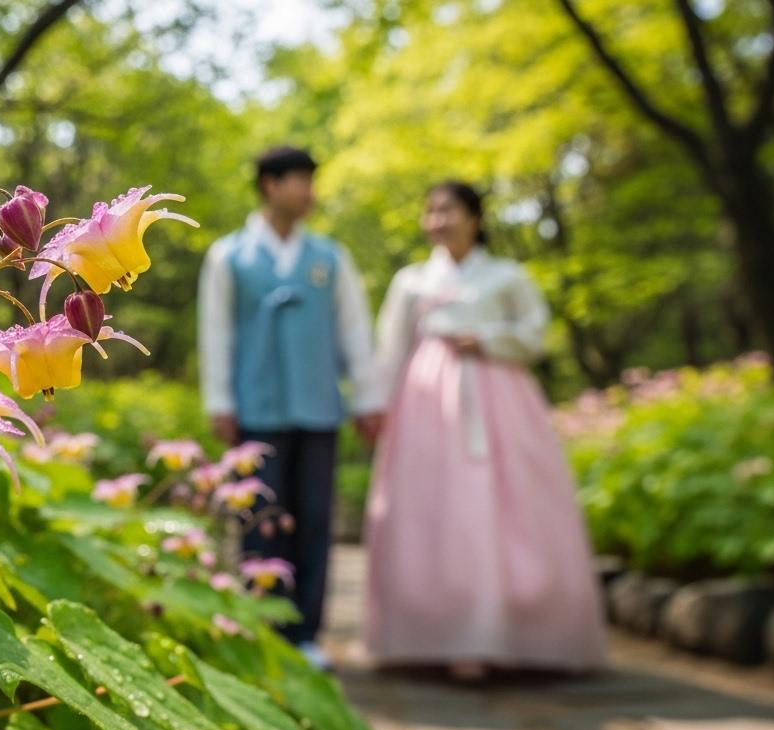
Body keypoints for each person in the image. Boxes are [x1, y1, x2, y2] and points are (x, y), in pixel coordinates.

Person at [362, 181, 607, 680]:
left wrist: (488, 338)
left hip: (502, 404)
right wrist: (376, 407)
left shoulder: (507, 276)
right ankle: (440, 633)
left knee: (507, 507)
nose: (437, 220)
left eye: (448, 209)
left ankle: (516, 630)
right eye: (430, 210)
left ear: (475, 216)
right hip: (425, 408)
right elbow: (388, 350)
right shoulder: (410, 281)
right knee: (434, 511)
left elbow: (536, 333)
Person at [198, 146, 383, 669]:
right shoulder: (228, 255)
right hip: (255, 410)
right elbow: (216, 334)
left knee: (315, 518)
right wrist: (219, 401)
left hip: (319, 407)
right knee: (258, 519)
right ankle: (264, 627)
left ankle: (306, 633)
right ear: (269, 186)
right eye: (299, 180)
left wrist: (368, 399)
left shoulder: (330, 257)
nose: (309, 192)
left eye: (311, 181)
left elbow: (354, 331)